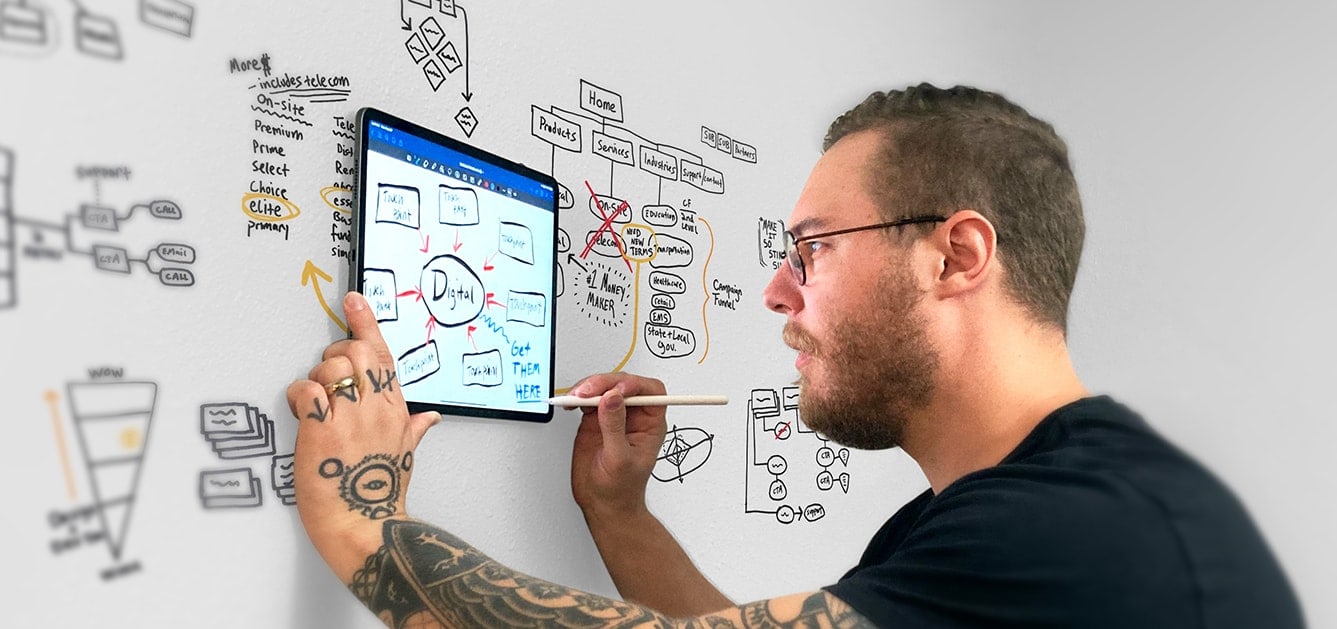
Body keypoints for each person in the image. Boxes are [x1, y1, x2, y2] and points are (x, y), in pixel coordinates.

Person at [286, 83, 1305, 628]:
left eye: (810, 249)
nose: (776, 290)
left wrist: (359, 515)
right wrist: (617, 510)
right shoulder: (985, 517)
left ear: (955, 254)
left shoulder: (1080, 533)